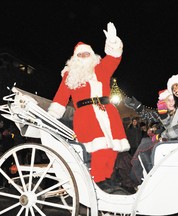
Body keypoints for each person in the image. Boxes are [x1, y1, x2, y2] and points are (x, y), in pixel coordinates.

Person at [47, 22, 130, 194]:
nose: (84, 56)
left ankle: (108, 177)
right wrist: (52, 116)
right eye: (81, 54)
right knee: (99, 148)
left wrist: (113, 42)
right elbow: (61, 97)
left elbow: (114, 58)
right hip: (86, 115)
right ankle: (99, 179)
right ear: (75, 58)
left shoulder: (101, 69)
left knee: (112, 148)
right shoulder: (70, 76)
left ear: (92, 56)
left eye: (87, 53)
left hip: (107, 112)